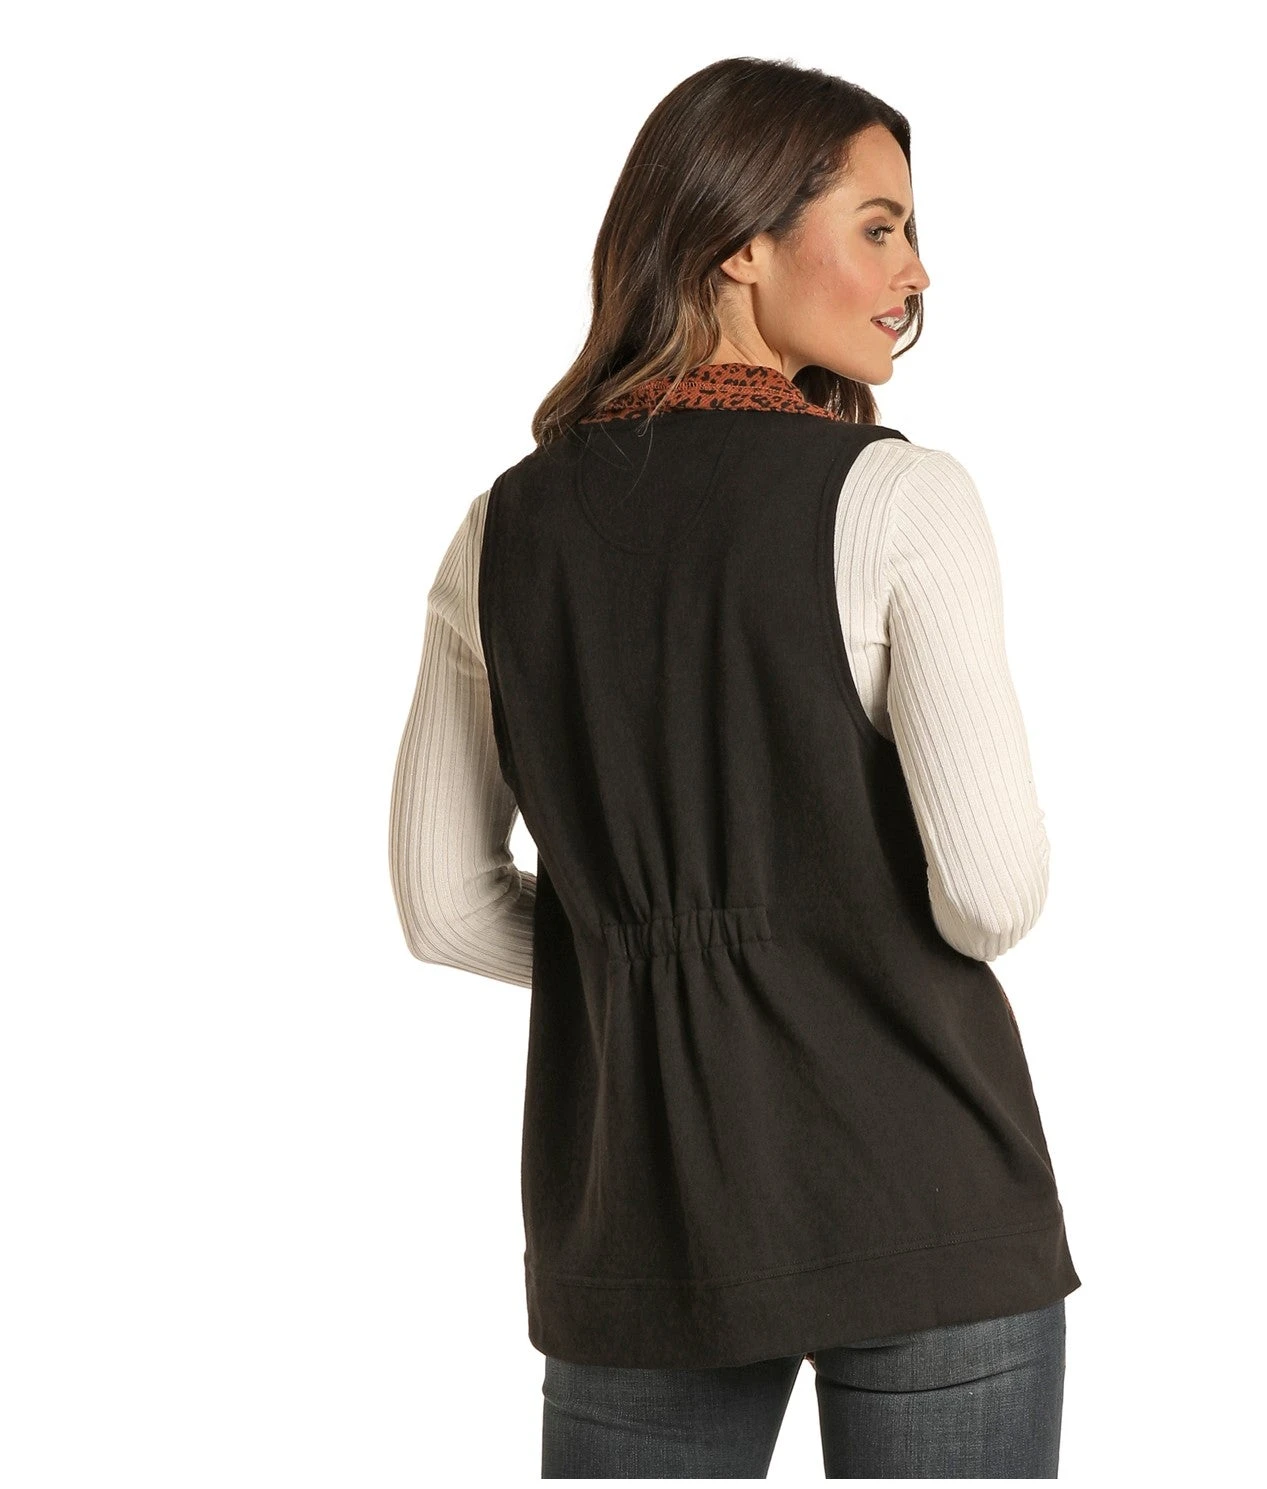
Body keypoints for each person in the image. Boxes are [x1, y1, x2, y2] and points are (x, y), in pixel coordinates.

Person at [389, 55, 1080, 1479]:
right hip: (924, 1192)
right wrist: (812, 943)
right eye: (879, 226)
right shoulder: (896, 497)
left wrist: (636, 953)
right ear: (738, 245)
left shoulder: (502, 532)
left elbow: (444, 907)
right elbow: (993, 892)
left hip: (639, 1213)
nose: (916, 270)